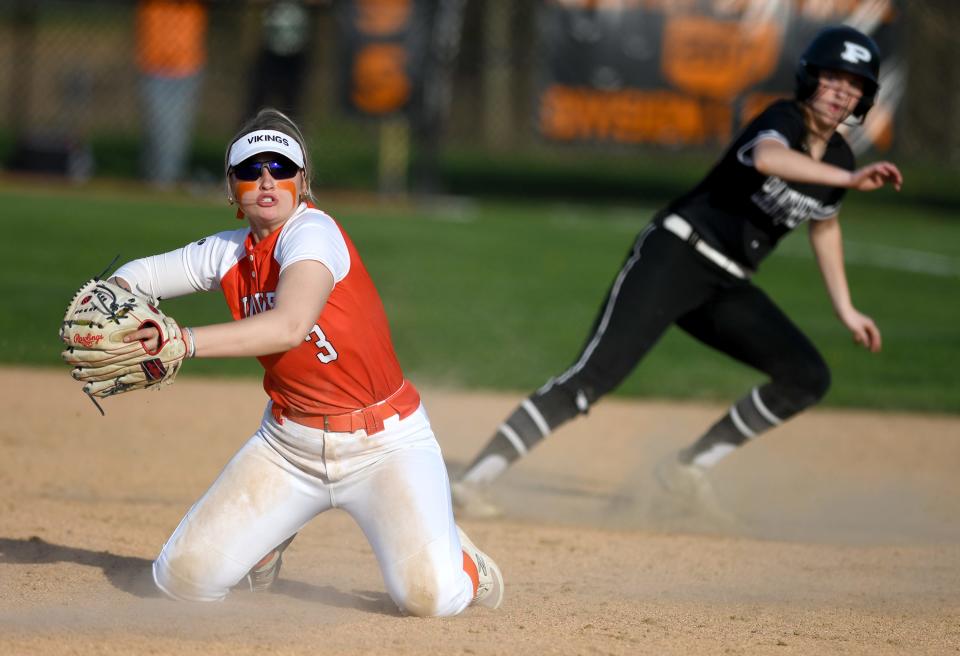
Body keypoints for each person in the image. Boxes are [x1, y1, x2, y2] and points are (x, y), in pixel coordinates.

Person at [451, 25, 903, 520]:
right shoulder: (782, 120)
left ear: (865, 97)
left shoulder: (840, 157)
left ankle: (686, 469)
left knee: (806, 375)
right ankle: (475, 480)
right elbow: (771, 158)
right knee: (592, 378)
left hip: (728, 282)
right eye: (834, 77)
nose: (842, 91)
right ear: (810, 77)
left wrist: (846, 308)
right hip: (675, 254)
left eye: (855, 84)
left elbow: (825, 227)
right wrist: (849, 179)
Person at [109, 108, 503, 615]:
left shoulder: (313, 233)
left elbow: (290, 324)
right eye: (250, 170)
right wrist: (109, 300)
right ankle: (265, 548)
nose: (267, 180)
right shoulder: (227, 253)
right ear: (231, 190)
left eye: (281, 166)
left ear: (303, 180)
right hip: (288, 447)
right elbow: (140, 274)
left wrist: (182, 340)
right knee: (181, 580)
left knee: (430, 598)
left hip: (384, 444)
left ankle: (465, 562)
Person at [136, 0, 208, 187]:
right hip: (154, 67)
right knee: (157, 127)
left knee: (177, 130)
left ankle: (167, 180)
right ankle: (156, 179)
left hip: (186, 68)